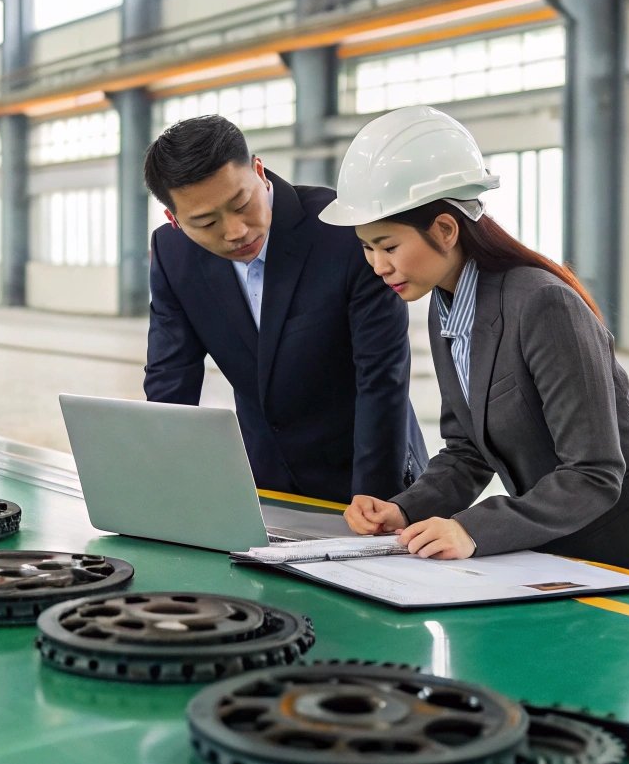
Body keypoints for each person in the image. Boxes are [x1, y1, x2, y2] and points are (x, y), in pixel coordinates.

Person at [321, 106, 629, 588]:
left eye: (388, 246)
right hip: (568, 544)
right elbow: (468, 450)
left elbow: (594, 471)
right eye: (367, 247)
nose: (377, 265)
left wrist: (471, 529)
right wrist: (404, 509)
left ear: (445, 229)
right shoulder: (444, 307)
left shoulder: (542, 305)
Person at [143, 114, 426, 505]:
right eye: (206, 222)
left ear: (259, 172)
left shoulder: (343, 229)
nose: (235, 231)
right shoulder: (173, 255)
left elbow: (381, 379)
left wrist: (375, 498)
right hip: (265, 483)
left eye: (242, 203)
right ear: (174, 220)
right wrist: (160, 486)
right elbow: (169, 380)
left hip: (369, 472)